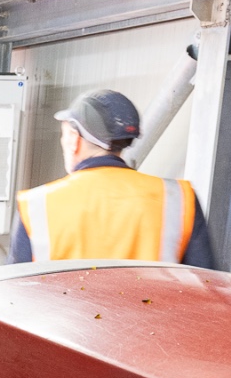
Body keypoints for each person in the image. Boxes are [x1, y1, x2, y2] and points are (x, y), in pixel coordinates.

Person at [11, 89, 215, 267]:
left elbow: (12, 291)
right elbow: (205, 284)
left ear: (74, 139)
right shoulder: (178, 198)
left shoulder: (37, 204)